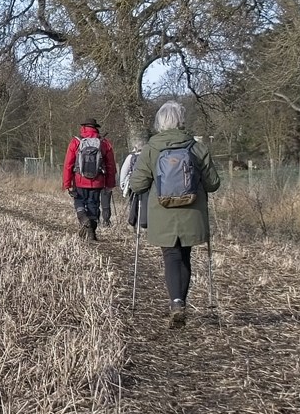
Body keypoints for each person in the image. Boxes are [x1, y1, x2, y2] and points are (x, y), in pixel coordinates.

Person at [123, 100, 224, 328]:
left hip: (163, 211)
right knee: (185, 255)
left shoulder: (151, 148)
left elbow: (137, 184)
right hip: (191, 211)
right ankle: (181, 303)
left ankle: (176, 302)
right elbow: (213, 184)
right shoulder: (197, 148)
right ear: (181, 121)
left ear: (160, 122)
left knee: (171, 256)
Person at [61, 119, 115, 240]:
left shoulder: (76, 142)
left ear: (83, 127)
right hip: (97, 181)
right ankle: (92, 234)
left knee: (79, 201)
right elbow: (111, 165)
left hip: (79, 179)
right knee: (94, 205)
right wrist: (110, 183)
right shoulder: (104, 143)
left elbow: (68, 164)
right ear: (96, 128)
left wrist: (67, 183)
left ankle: (83, 218)